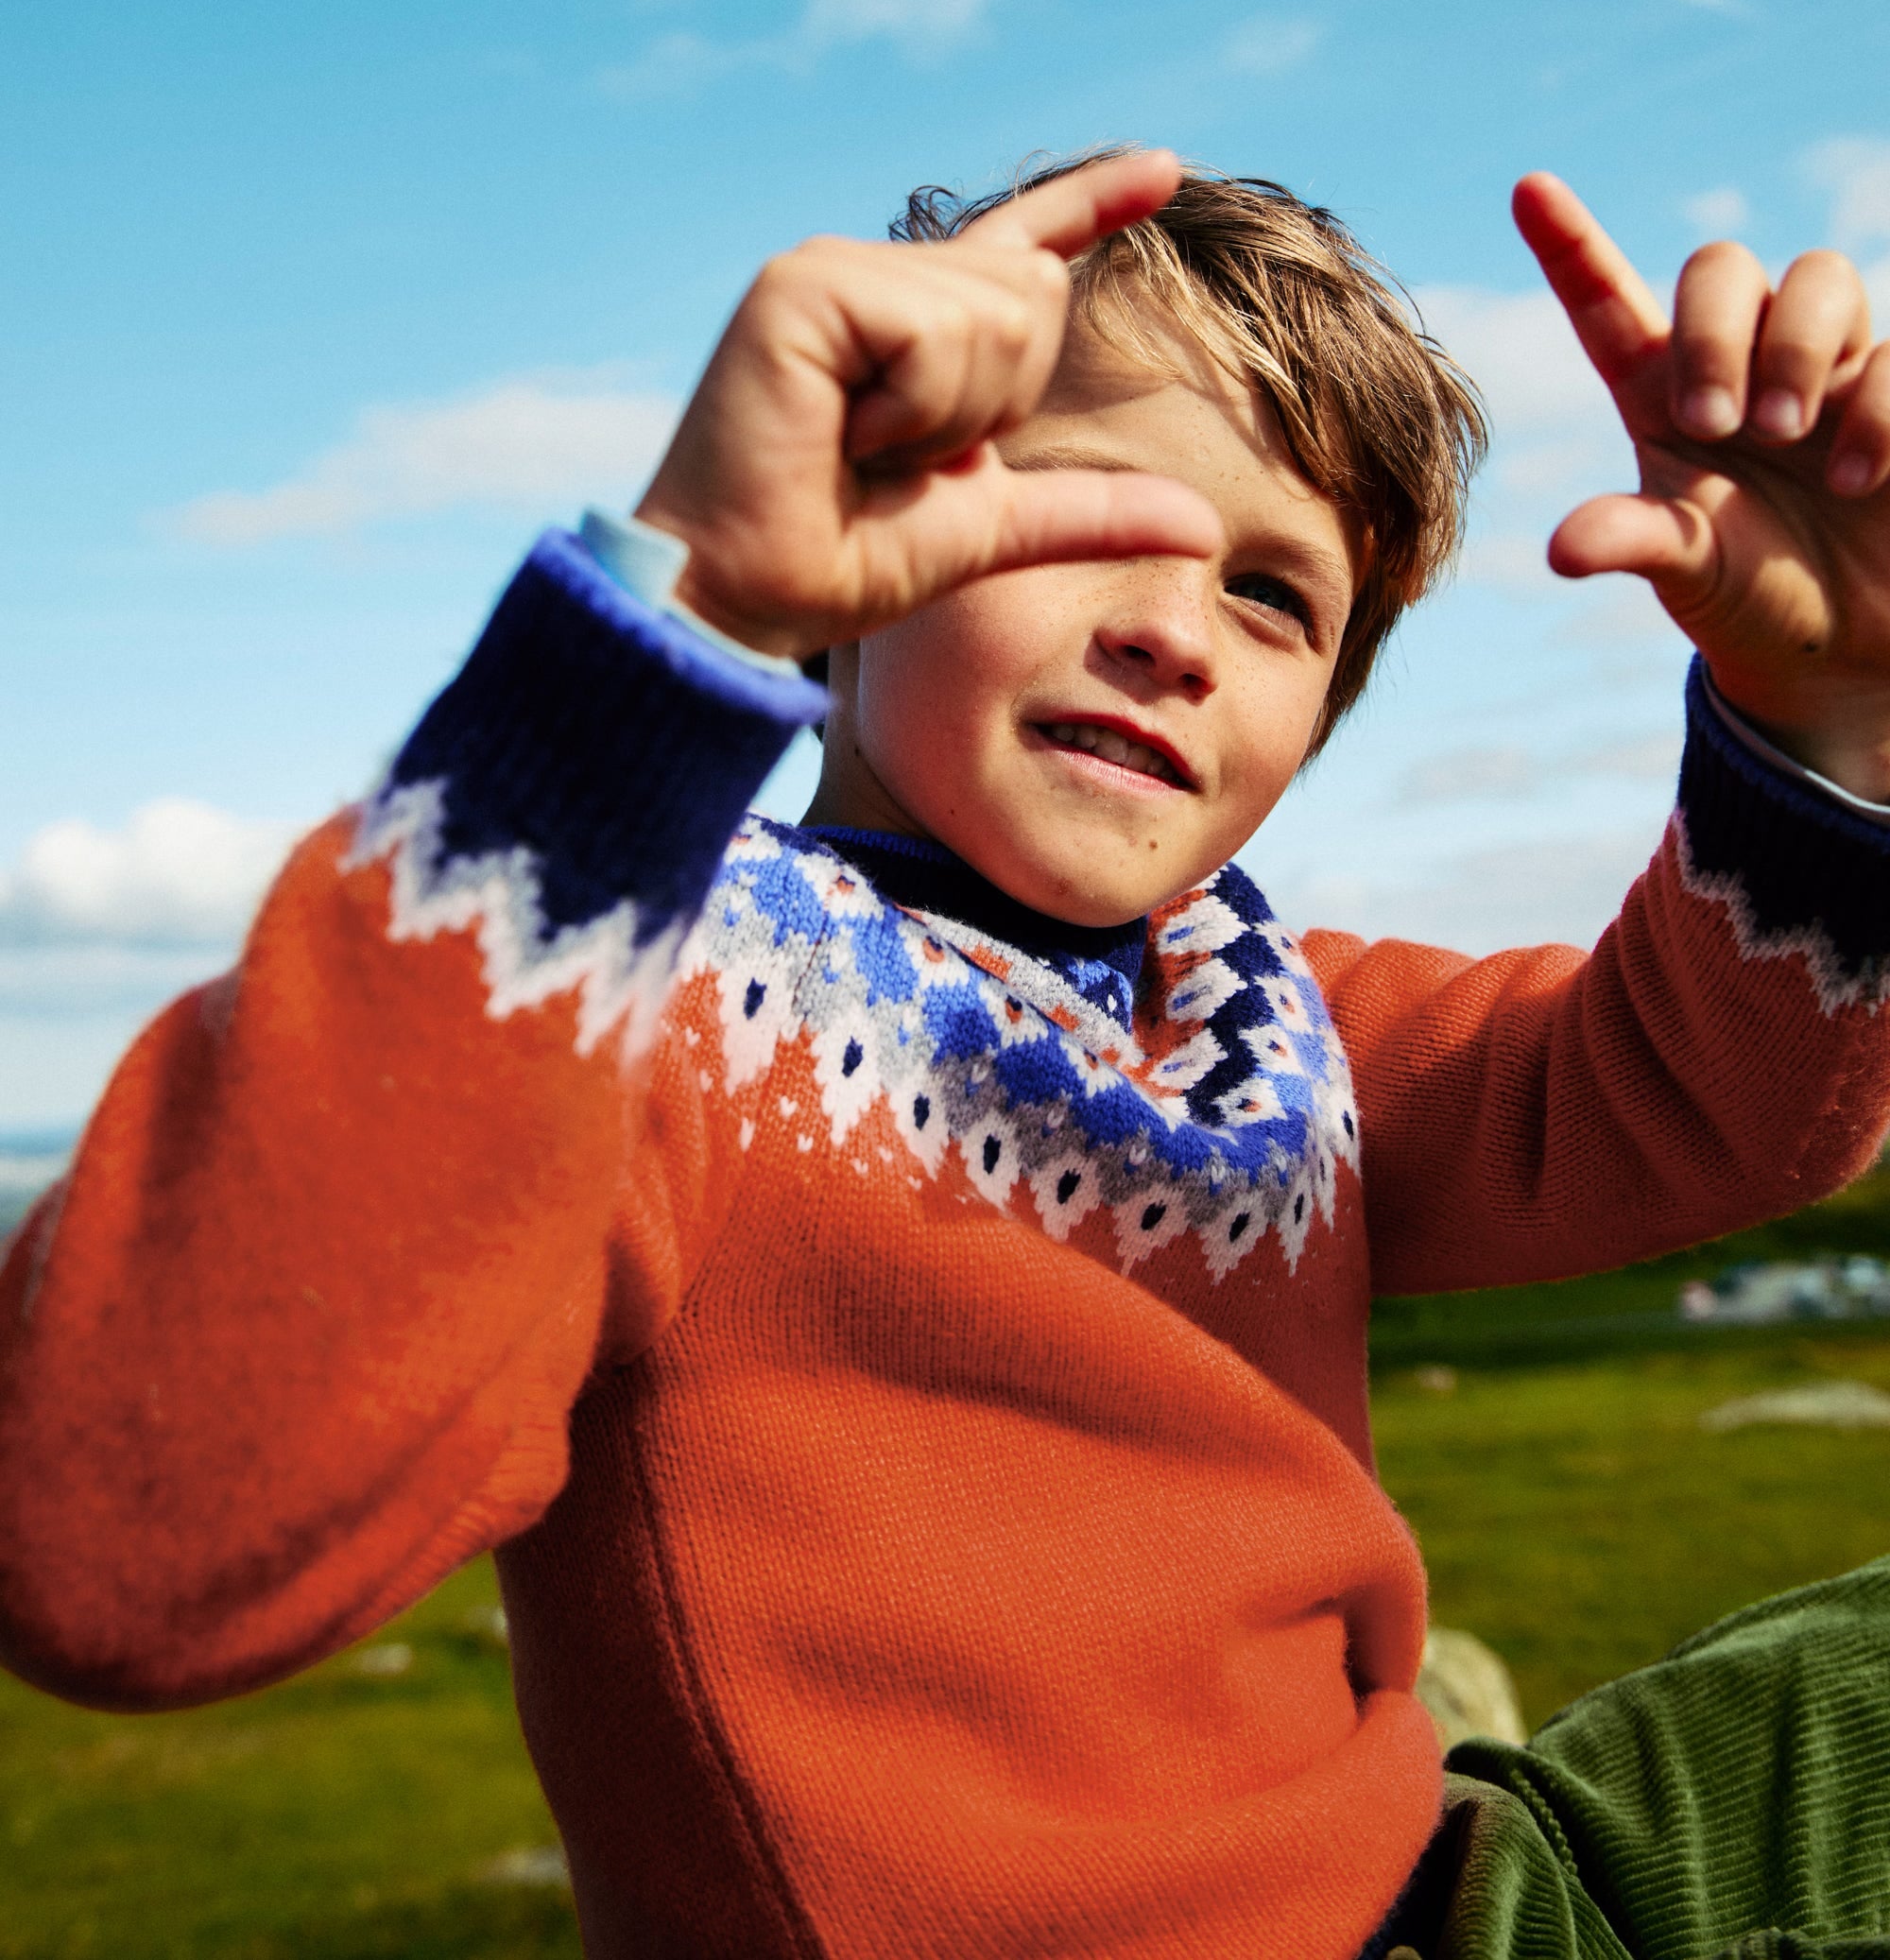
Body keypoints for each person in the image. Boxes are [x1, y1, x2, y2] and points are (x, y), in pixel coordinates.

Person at [3, 147, 1888, 1960]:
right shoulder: (654, 1004)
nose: (1171, 631)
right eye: (1086, 518)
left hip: (1449, 1877)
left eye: (1271, 594)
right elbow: (121, 1546)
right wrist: (670, 628)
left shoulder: (1271, 1018)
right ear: (865, 556)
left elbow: (1685, 1105)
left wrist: (1830, 723)